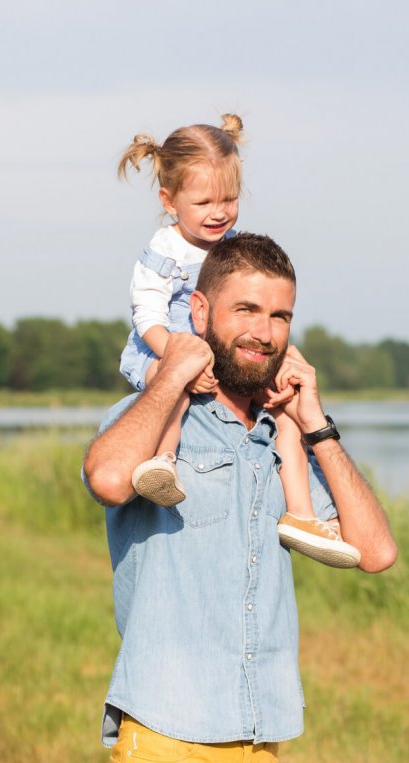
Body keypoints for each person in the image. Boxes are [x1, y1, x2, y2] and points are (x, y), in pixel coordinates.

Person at [82, 232, 397, 763]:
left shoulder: (283, 439)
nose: (265, 332)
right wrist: (174, 372)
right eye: (246, 309)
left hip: (258, 740)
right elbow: (106, 479)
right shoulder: (152, 421)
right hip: (165, 734)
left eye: (280, 315)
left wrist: (315, 423)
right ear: (200, 312)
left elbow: (375, 552)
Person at [117, 115, 360, 567]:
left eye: (229, 199)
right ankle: (164, 461)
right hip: (163, 345)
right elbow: (147, 317)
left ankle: (302, 513)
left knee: (283, 401)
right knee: (176, 393)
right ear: (168, 201)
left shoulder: (231, 245)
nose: (219, 212)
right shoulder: (163, 252)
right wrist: (180, 356)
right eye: (204, 201)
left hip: (221, 353)